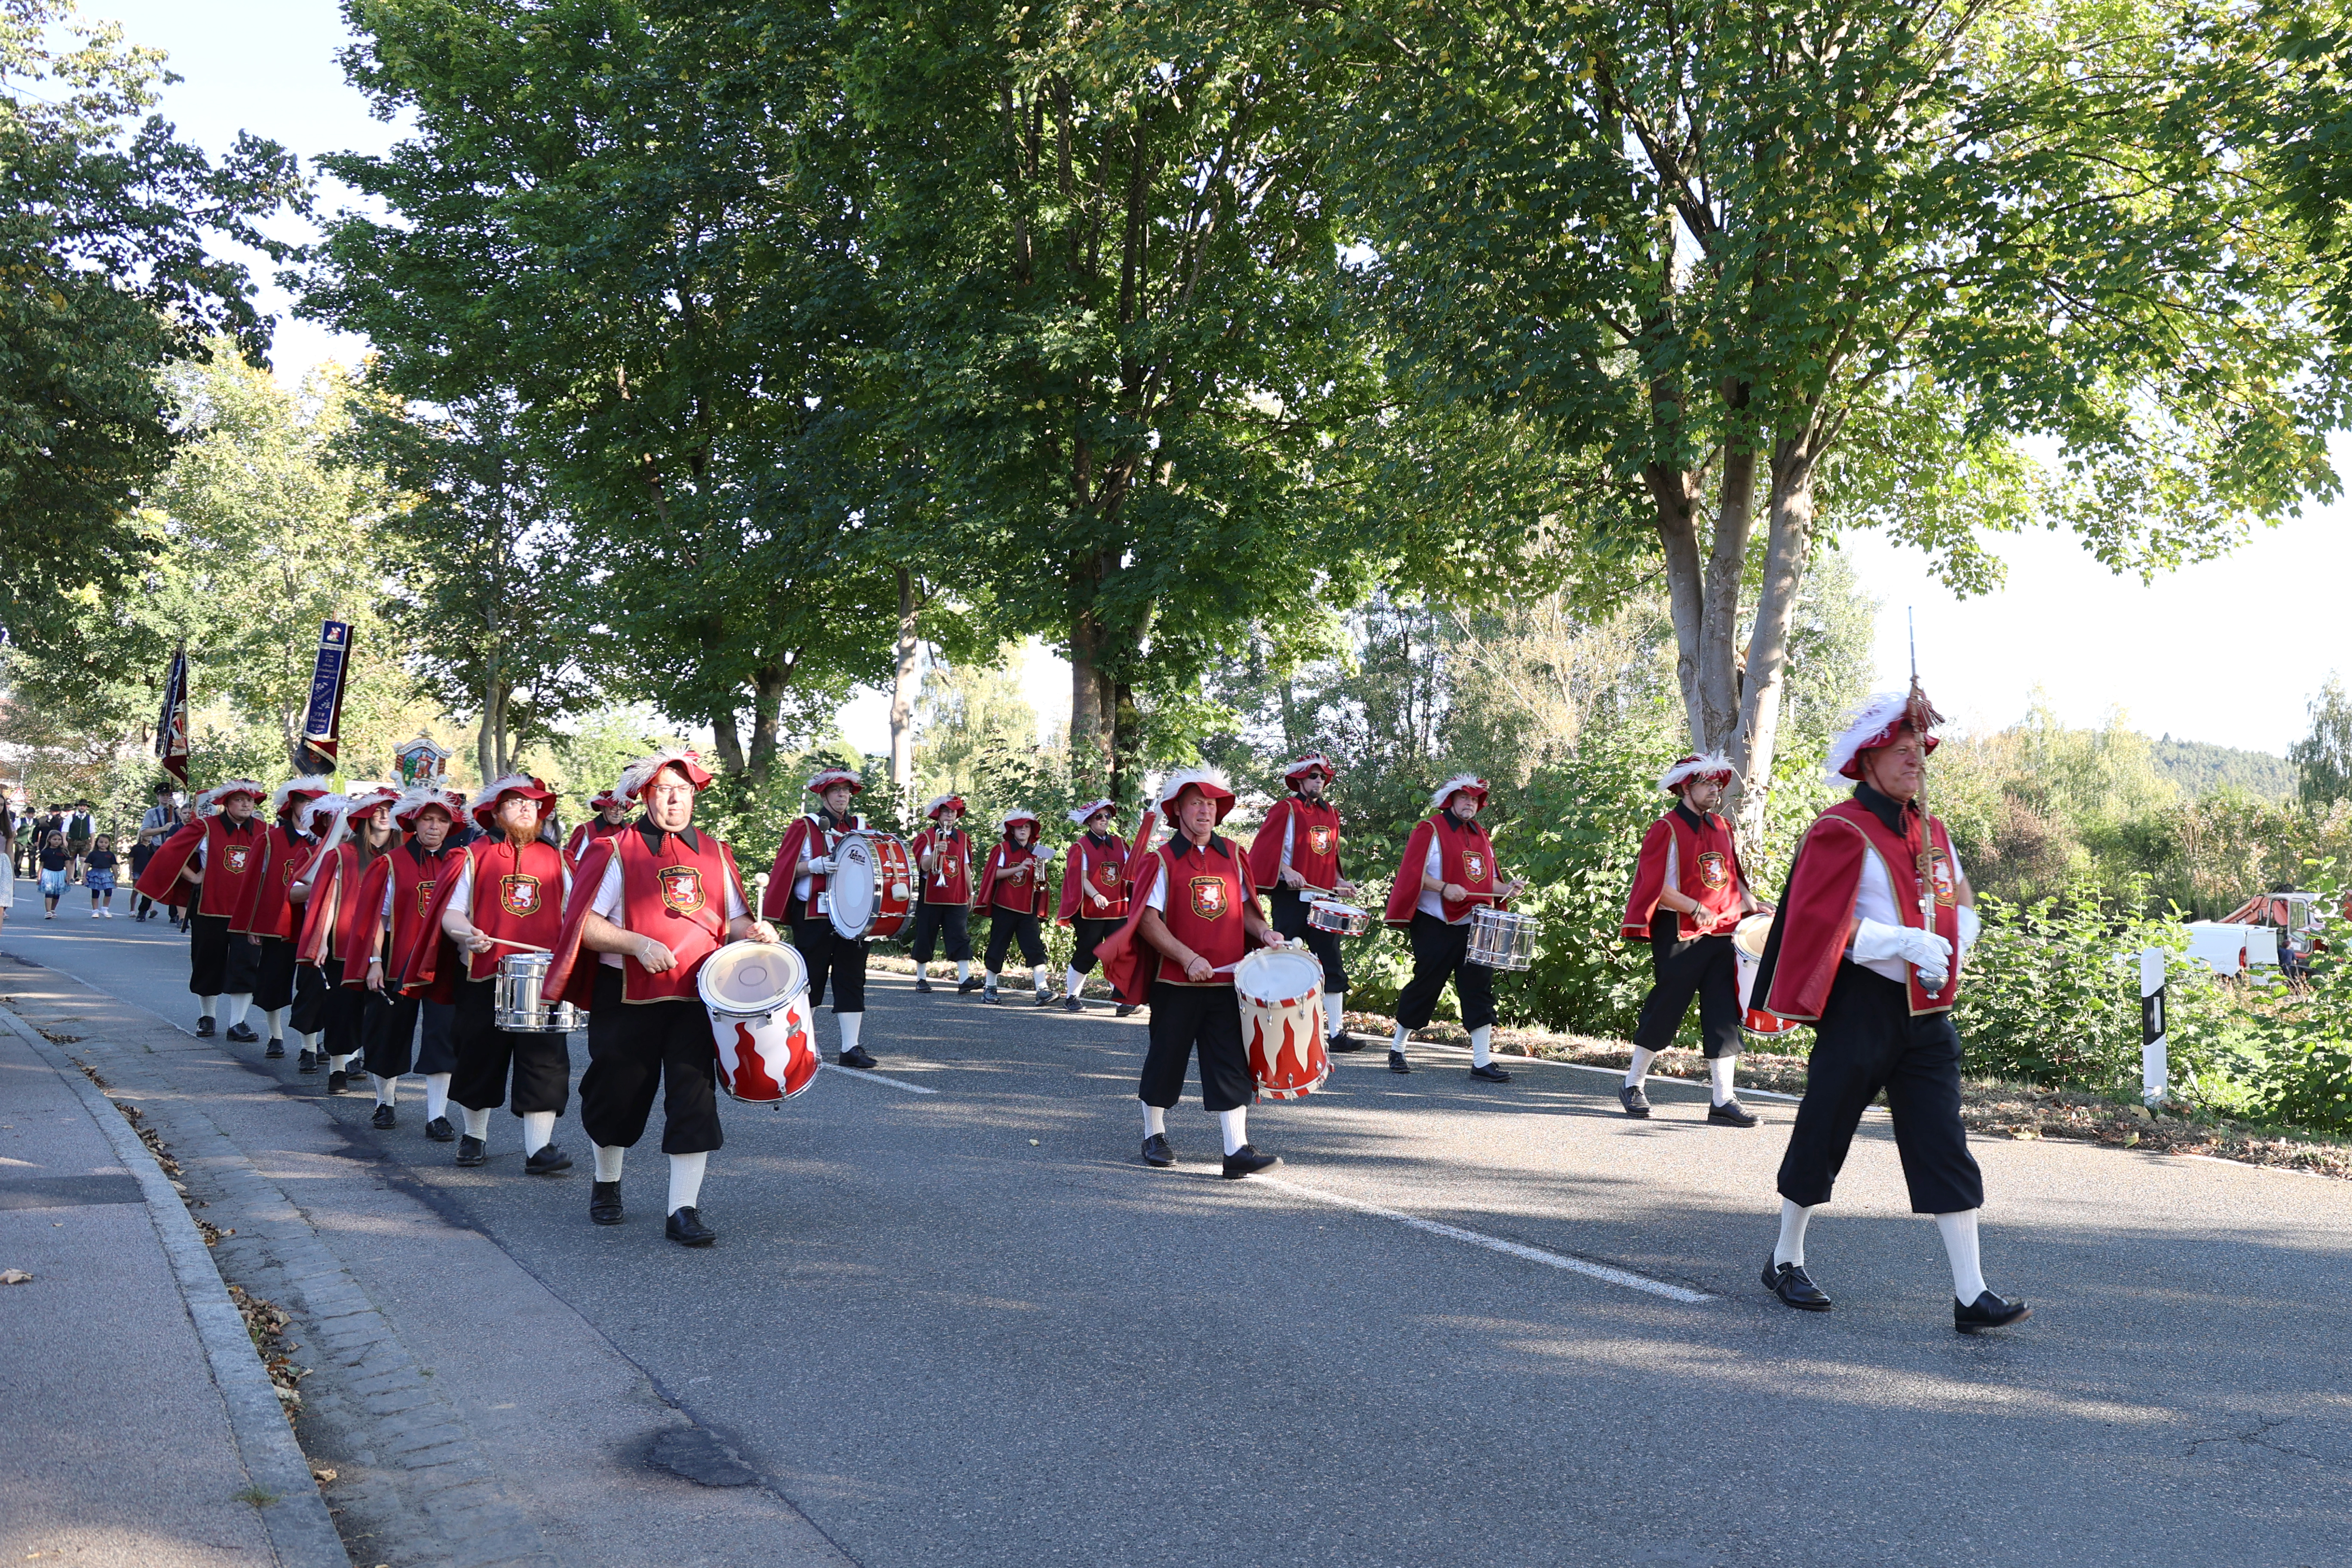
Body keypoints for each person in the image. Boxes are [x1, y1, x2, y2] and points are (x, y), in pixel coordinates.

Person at [1748, 691, 2025, 1333]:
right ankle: (1786, 1257)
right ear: (1868, 760)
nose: (1915, 763)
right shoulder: (1837, 829)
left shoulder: (1933, 830)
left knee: (1944, 1143)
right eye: (1902, 753)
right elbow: (1821, 929)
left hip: (1927, 1012)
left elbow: (1958, 897)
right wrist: (1901, 942)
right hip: (1861, 1008)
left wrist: (1962, 932)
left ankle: (1971, 1294)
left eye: (1920, 753)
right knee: (1825, 1128)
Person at [545, 748, 778, 1246]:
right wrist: (637, 943)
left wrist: (753, 930)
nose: (675, 800)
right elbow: (583, 925)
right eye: (664, 790)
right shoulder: (613, 851)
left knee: (694, 1101)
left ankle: (683, 1211)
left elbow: (732, 920)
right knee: (616, 1096)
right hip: (626, 996)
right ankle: (607, 1183)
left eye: (684, 791)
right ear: (644, 796)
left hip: (698, 999)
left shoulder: (716, 853)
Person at [1096, 768, 1286, 1177]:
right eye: (1197, 803)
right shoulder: (1162, 859)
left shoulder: (1234, 854)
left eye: (1211, 804)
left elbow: (1247, 912)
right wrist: (1188, 958)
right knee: (1167, 1060)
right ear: (1178, 810)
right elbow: (1147, 920)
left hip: (1228, 981)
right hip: (1176, 982)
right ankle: (1154, 1134)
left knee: (1231, 1063)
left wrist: (1266, 932)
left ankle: (1236, 1151)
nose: (1205, 811)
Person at [408, 774, 575, 1172]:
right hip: (484, 976)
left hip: (542, 978)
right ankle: (474, 1138)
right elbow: (451, 913)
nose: (525, 809)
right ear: (497, 813)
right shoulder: (472, 856)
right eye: (516, 803)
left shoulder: (558, 859)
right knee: (478, 1058)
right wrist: (466, 934)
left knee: (545, 1063)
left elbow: (578, 913)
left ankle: (540, 1150)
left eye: (532, 804)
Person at [1616, 754, 1770, 1126]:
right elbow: (1655, 887)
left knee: (1723, 1015)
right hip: (1679, 934)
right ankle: (1633, 1083)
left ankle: (1723, 1100)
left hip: (1722, 934)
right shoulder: (1665, 829)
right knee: (1667, 1007)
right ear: (1687, 787)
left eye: (1718, 785)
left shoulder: (1722, 826)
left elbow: (1735, 883)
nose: (1716, 790)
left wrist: (1758, 906)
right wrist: (1694, 906)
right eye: (1708, 784)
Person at [1379, 775, 1527, 1082]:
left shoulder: (1482, 835)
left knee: (1479, 989)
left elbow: (1488, 884)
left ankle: (1482, 1062)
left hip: (1475, 925)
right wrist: (1444, 887)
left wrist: (1508, 888)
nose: (1470, 804)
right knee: (1427, 985)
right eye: (1464, 798)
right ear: (1451, 800)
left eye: (1475, 800)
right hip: (1436, 922)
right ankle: (1397, 1048)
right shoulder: (1430, 829)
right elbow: (1411, 874)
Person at [359, 788, 467, 1136]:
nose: (434, 827)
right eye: (428, 819)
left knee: (443, 1039)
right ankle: (385, 1103)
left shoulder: (463, 863)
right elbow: (379, 917)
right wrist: (374, 961)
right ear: (414, 822)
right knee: (389, 1034)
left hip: (444, 967)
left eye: (441, 820)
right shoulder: (392, 863)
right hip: (398, 963)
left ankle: (436, 1115)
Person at [762, 768, 879, 1068]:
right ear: (824, 794)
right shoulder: (804, 826)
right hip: (815, 914)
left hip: (853, 915)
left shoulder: (861, 827)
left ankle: (850, 1048)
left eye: (846, 791)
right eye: (836, 790)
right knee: (811, 979)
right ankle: (801, 1048)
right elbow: (786, 869)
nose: (843, 795)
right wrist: (814, 865)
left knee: (852, 978)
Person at [133, 781, 270, 1037]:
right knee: (207, 962)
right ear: (226, 804)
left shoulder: (265, 831)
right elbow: (169, 852)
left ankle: (237, 1023)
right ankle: (208, 1017)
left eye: (250, 800)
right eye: (240, 800)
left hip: (249, 911)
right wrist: (194, 877)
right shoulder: (206, 827)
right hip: (209, 908)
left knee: (246, 965)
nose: (247, 804)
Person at [1247, 753, 1364, 1051]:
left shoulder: (1332, 814)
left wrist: (1340, 881)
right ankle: (1274, 1028)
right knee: (1286, 960)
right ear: (1299, 779)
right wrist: (1286, 872)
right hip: (1292, 900)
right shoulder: (1286, 809)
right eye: (1314, 776)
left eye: (1323, 777)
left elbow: (1330, 859)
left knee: (1332, 964)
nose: (1319, 781)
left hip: (1324, 900)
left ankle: (1336, 1034)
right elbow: (1264, 853)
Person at [292, 788, 401, 1094]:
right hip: (345, 943)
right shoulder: (343, 855)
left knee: (381, 1013)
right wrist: (322, 941)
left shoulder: (401, 855)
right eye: (378, 809)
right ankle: (338, 1069)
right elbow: (328, 900)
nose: (383, 815)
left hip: (386, 946)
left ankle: (377, 1076)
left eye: (389, 809)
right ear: (365, 816)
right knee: (343, 1009)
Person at [241, 776, 336, 1060]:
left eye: (315, 802)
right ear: (292, 804)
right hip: (279, 923)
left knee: (315, 986)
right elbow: (254, 883)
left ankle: (313, 1041)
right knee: (274, 981)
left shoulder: (331, 841)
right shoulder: (271, 838)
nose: (309, 807)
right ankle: (276, 1036)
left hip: (316, 925)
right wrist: (253, 923)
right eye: (305, 801)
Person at [1056, 800, 1138, 1016]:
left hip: (1118, 910)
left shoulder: (1120, 845)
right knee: (1088, 953)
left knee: (1119, 953)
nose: (1104, 820)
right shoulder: (1081, 847)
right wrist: (1096, 895)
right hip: (1090, 912)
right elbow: (1080, 878)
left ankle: (1122, 1001)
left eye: (1107, 817)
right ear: (1090, 821)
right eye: (1099, 817)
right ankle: (1071, 997)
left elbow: (1131, 874)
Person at [976, 811, 1058, 1005]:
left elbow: (1042, 886)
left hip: (1027, 909)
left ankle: (1042, 989)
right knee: (998, 947)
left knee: (1035, 948)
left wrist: (1042, 873)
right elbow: (993, 875)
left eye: (1027, 827)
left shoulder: (1038, 852)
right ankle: (990, 988)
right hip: (1004, 906)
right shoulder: (1003, 849)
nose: (1023, 830)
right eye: (1019, 827)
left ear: (1032, 831)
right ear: (1012, 830)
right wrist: (1019, 868)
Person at [907, 794, 980, 995]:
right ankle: (921, 978)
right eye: (946, 812)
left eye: (953, 812)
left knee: (960, 936)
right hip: (930, 896)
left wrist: (970, 891)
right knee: (925, 935)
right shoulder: (928, 837)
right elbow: (923, 866)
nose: (949, 816)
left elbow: (965, 866)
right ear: (938, 814)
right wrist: (936, 852)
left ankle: (964, 980)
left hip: (956, 895)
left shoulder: (963, 838)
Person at [135, 783, 184, 922]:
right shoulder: (151, 813)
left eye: (168, 795)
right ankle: (142, 911)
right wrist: (163, 829)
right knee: (152, 881)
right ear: (158, 797)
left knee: (175, 881)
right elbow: (144, 831)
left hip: (175, 852)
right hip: (157, 850)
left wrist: (176, 807)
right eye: (163, 795)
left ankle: (174, 915)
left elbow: (189, 822)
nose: (165, 798)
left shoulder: (178, 812)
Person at [563, 784, 633, 870]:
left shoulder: (629, 830)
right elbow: (577, 864)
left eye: (622, 809)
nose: (618, 813)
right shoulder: (587, 830)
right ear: (603, 809)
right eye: (613, 809)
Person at [84, 835, 119, 916]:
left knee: (109, 891)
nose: (103, 844)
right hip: (95, 873)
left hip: (107, 874)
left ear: (109, 844)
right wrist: (84, 876)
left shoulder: (110, 854)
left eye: (106, 843)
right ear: (97, 843)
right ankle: (95, 911)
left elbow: (114, 866)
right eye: (101, 842)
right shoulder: (93, 854)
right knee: (95, 892)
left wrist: (116, 877)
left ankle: (105, 909)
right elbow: (87, 865)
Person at [37, 830, 70, 917]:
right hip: (48, 874)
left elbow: (67, 864)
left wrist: (68, 876)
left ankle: (53, 909)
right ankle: (48, 911)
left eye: (59, 840)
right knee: (49, 892)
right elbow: (42, 865)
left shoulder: (64, 852)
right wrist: (39, 877)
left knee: (57, 894)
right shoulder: (45, 852)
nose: (57, 841)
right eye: (55, 839)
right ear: (49, 840)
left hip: (60, 874)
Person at [64, 799, 94, 885]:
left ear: (86, 808)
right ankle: (71, 878)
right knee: (71, 860)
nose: (82, 807)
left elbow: (92, 831)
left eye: (84, 806)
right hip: (73, 840)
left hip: (85, 841)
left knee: (84, 859)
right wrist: (64, 840)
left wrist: (93, 842)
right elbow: (65, 829)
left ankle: (83, 878)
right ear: (78, 807)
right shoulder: (71, 817)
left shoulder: (90, 818)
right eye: (81, 806)